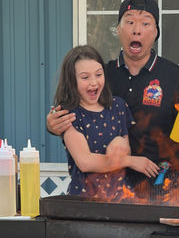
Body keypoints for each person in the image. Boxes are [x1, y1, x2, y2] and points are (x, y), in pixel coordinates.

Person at [47, 0, 179, 205]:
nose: (136, 29)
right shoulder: (102, 76)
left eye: (145, 23)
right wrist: (52, 124)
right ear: (118, 29)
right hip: (115, 186)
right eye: (129, 22)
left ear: (155, 31)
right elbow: (71, 114)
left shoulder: (178, 77)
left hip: (167, 183)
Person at [53, 44, 159, 200]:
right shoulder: (69, 114)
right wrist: (130, 161)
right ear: (71, 81)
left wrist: (119, 145)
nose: (94, 82)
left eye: (98, 74)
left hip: (121, 198)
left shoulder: (118, 106)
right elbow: (85, 162)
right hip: (85, 200)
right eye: (85, 77)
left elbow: (125, 147)